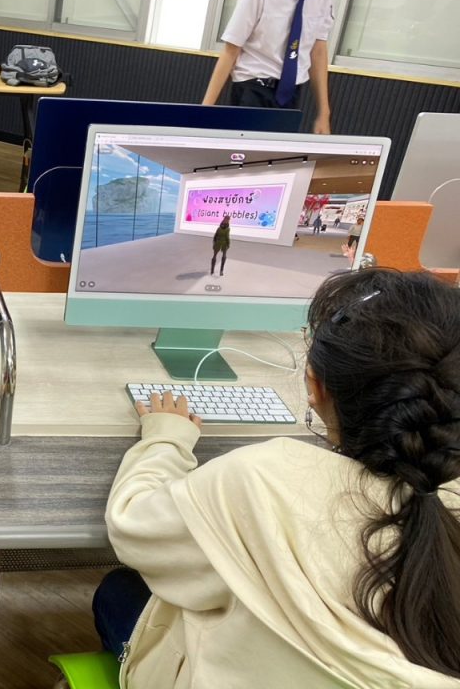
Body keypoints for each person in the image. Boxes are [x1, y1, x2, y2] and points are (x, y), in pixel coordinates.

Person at [94, 268, 460, 688]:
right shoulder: (440, 496)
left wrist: (166, 440)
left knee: (119, 591)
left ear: (315, 386)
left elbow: (133, 529)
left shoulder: (260, 478)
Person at [202, 0, 338, 134]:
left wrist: (324, 112)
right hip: (253, 89)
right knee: (244, 153)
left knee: (277, 154)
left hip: (291, 93)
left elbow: (318, 50)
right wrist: (204, 111)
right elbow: (231, 49)